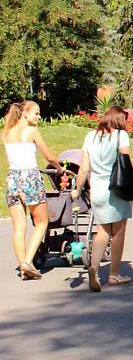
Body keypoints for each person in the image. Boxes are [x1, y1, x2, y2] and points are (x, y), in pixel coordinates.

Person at [72, 106, 133, 292]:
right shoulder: (120, 135)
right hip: (117, 188)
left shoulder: (90, 136)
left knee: (102, 232)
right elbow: (126, 162)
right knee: (118, 232)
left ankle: (94, 267)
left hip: (97, 190)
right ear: (120, 120)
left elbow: (84, 168)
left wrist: (77, 189)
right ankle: (114, 274)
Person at [3, 101, 65, 279]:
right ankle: (27, 262)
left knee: (19, 228)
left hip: (13, 179)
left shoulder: (6, 132)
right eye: (36, 113)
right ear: (25, 114)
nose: (38, 117)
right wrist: (59, 168)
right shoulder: (31, 131)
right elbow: (50, 156)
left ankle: (23, 267)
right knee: (42, 222)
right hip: (30, 178)